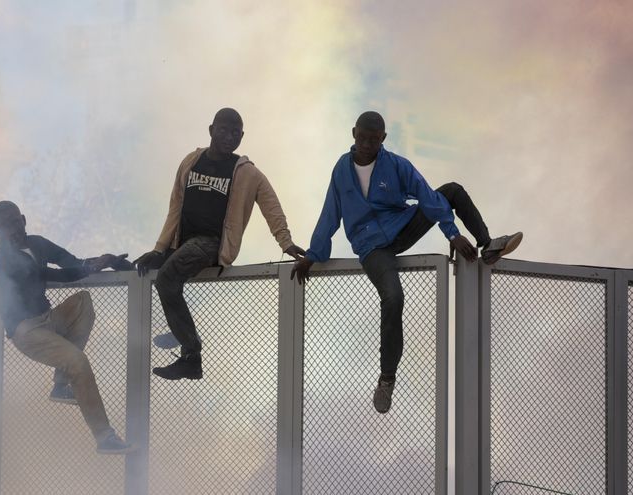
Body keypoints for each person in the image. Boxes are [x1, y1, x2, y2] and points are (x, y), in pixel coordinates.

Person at [292, 111, 522, 413]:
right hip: (371, 246)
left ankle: (488, 244)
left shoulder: (396, 165)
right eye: (362, 138)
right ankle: (387, 378)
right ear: (353, 133)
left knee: (450, 191)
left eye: (374, 140)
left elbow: (427, 197)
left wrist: (452, 233)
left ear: (383, 139)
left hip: (401, 227)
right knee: (393, 297)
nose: (367, 144)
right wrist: (313, 255)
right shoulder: (341, 170)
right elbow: (330, 214)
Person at [135, 108, 306, 380]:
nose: (229, 137)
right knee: (143, 267)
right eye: (224, 130)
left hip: (212, 243)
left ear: (242, 136)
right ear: (211, 130)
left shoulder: (248, 173)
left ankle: (191, 356)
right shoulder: (191, 161)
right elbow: (175, 207)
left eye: (235, 133)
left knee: (167, 278)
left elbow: (271, 206)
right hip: (182, 242)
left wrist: (285, 242)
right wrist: (159, 248)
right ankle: (181, 330)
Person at [0, 200, 135, 455]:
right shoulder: (4, 259)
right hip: (27, 331)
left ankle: (61, 384)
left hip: (47, 318)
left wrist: (105, 260)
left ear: (23, 220)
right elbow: (55, 275)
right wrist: (93, 266)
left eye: (15, 222)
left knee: (83, 302)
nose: (12, 230)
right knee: (78, 362)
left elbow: (71, 263)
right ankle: (104, 437)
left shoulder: (37, 243)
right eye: (5, 227)